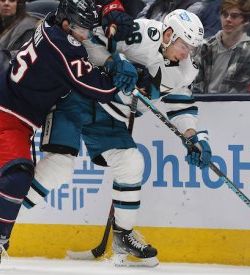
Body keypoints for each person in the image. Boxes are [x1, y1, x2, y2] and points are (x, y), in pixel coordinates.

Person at [0, 0, 137, 273]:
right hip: (5, 117)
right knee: (19, 175)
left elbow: (82, 48)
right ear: (65, 23)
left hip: (8, 114)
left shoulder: (51, 23)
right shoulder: (62, 48)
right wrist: (121, 77)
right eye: (79, 28)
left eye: (88, 29)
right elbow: (95, 87)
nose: (84, 35)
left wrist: (111, 59)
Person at [24, 9, 211, 267]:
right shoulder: (140, 33)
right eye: (183, 45)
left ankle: (123, 236)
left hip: (110, 115)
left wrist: (192, 136)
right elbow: (87, 38)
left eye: (191, 48)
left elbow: (181, 105)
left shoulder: (185, 69)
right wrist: (113, 61)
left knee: (131, 163)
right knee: (58, 167)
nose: (186, 53)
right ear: (168, 34)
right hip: (77, 97)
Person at [192, 0, 250, 93]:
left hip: (233, 106)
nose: (228, 19)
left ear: (246, 21)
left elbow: (239, 91)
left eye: (234, 16)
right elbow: (195, 85)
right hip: (203, 105)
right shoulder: (205, 46)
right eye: (225, 14)